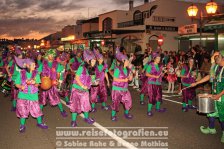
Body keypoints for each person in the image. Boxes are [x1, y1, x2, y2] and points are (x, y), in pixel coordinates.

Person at [191, 51, 224, 143]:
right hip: (214, 93)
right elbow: (210, 76)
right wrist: (197, 83)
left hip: (222, 96)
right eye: (215, 56)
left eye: (218, 56)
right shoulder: (216, 66)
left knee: (222, 115)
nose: (216, 58)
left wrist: (219, 95)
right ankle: (211, 128)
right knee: (211, 111)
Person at [14, 56, 48, 133]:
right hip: (23, 96)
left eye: (35, 65)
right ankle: (22, 125)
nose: (35, 66)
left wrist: (34, 83)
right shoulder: (21, 73)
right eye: (33, 65)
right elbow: (16, 84)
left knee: (37, 110)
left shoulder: (36, 73)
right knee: (23, 111)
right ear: (28, 66)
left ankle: (39, 123)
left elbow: (38, 84)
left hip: (33, 95)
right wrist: (21, 86)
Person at [69, 49, 96, 127]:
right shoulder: (82, 67)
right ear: (88, 60)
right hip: (76, 89)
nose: (94, 63)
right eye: (93, 61)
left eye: (95, 61)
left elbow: (92, 80)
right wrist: (82, 85)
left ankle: (86, 118)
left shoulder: (92, 69)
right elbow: (76, 78)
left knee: (86, 104)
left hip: (85, 90)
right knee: (75, 106)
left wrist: (95, 82)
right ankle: (73, 121)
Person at [39, 49, 67, 118]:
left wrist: (57, 79)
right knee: (42, 99)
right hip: (44, 84)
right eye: (49, 55)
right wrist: (39, 80)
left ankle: (62, 110)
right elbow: (39, 72)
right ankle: (39, 113)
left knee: (57, 98)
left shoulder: (56, 63)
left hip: (53, 83)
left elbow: (58, 74)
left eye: (52, 55)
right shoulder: (43, 63)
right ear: (47, 56)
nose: (51, 56)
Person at [111, 47, 133, 121]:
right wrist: (124, 80)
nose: (128, 62)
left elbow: (130, 79)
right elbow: (115, 79)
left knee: (128, 101)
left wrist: (131, 75)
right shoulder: (117, 69)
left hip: (125, 89)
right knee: (116, 103)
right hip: (117, 89)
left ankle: (126, 113)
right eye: (127, 61)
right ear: (123, 61)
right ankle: (113, 115)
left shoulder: (128, 69)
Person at [146, 52, 166, 117]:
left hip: (158, 83)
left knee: (159, 96)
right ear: (154, 59)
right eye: (157, 58)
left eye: (159, 58)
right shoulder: (150, 65)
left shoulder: (159, 66)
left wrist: (163, 73)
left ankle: (157, 108)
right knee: (151, 97)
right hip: (151, 83)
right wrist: (155, 76)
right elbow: (147, 74)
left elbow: (160, 76)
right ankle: (149, 111)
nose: (159, 60)